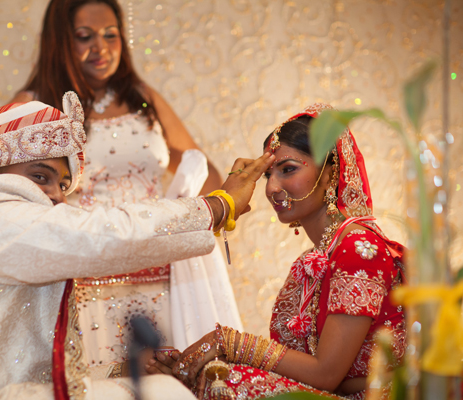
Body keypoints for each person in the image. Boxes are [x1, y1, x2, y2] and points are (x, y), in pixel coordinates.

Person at [0, 92, 273, 400]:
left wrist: (122, 370)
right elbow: (101, 234)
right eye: (40, 176)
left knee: (155, 388)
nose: (57, 196)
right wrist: (217, 207)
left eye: (62, 185)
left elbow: (22, 360)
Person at [12, 0, 242, 366]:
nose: (100, 48)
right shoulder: (34, 107)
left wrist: (221, 196)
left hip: (165, 281)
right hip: (87, 285)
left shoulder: (142, 97)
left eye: (110, 35)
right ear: (60, 41)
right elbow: (16, 203)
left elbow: (202, 171)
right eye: (84, 36)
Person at [147, 103, 407, 400]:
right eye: (268, 175)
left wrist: (229, 343)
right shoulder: (312, 259)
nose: (271, 187)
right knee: (213, 377)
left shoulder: (359, 248)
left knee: (227, 383)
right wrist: (191, 368)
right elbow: (295, 370)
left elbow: (326, 374)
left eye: (287, 170)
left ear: (329, 173)